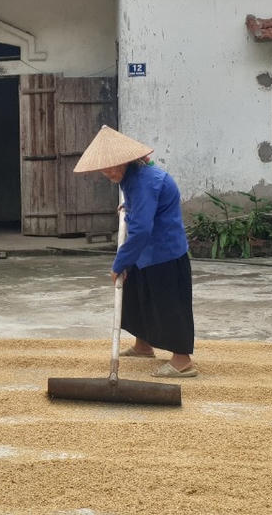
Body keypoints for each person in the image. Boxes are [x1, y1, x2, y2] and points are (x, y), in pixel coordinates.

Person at [73, 125, 197, 378]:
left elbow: (140, 230)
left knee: (167, 304)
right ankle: (143, 346)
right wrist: (127, 206)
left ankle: (182, 362)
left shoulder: (145, 181)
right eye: (104, 168)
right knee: (137, 297)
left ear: (127, 160)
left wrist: (119, 264)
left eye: (113, 166)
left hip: (164, 253)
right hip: (144, 253)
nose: (108, 172)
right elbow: (138, 206)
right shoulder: (131, 176)